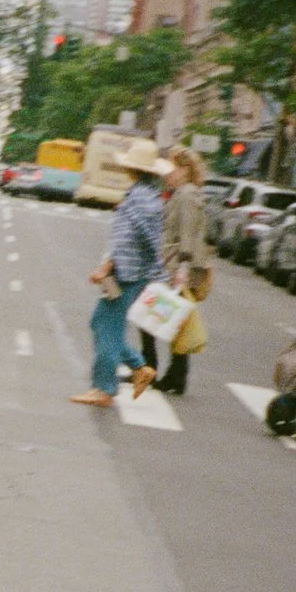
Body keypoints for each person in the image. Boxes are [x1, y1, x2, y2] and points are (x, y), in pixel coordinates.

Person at [73, 140, 170, 408]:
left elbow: (128, 240)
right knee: (101, 323)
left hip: (125, 273)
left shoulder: (139, 200)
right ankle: (140, 368)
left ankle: (104, 389)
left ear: (133, 169)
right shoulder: (148, 195)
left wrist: (107, 267)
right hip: (132, 272)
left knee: (108, 330)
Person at [147, 147, 213, 394]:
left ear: (185, 169)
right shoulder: (183, 193)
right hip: (177, 266)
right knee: (175, 323)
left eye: (171, 169)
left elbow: (187, 234)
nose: (167, 174)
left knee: (154, 318)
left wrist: (182, 269)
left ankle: (154, 369)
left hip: (178, 268)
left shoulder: (186, 195)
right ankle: (176, 376)